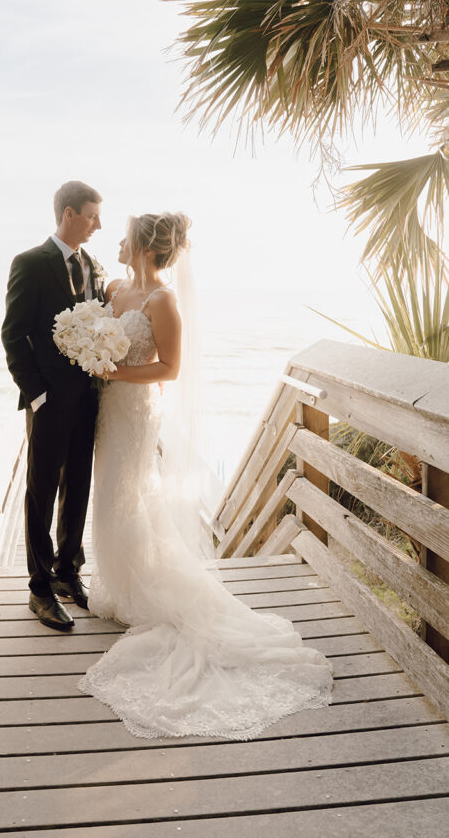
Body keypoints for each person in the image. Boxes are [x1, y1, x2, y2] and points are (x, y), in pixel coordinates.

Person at [80, 212, 333, 739]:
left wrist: (115, 370)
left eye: (126, 237)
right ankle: (119, 581)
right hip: (108, 409)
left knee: (127, 496)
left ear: (146, 248)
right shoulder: (115, 287)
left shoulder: (162, 302)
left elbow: (169, 368)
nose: (118, 242)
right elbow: (99, 335)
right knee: (111, 495)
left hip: (135, 408)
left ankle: (142, 590)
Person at [1, 181, 104, 631]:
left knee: (79, 483)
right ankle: (39, 589)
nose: (98, 224)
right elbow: (13, 333)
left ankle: (68, 572)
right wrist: (37, 393)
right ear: (68, 214)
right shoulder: (31, 263)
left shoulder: (92, 265)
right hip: (48, 400)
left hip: (88, 398)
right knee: (42, 491)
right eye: (91, 215)